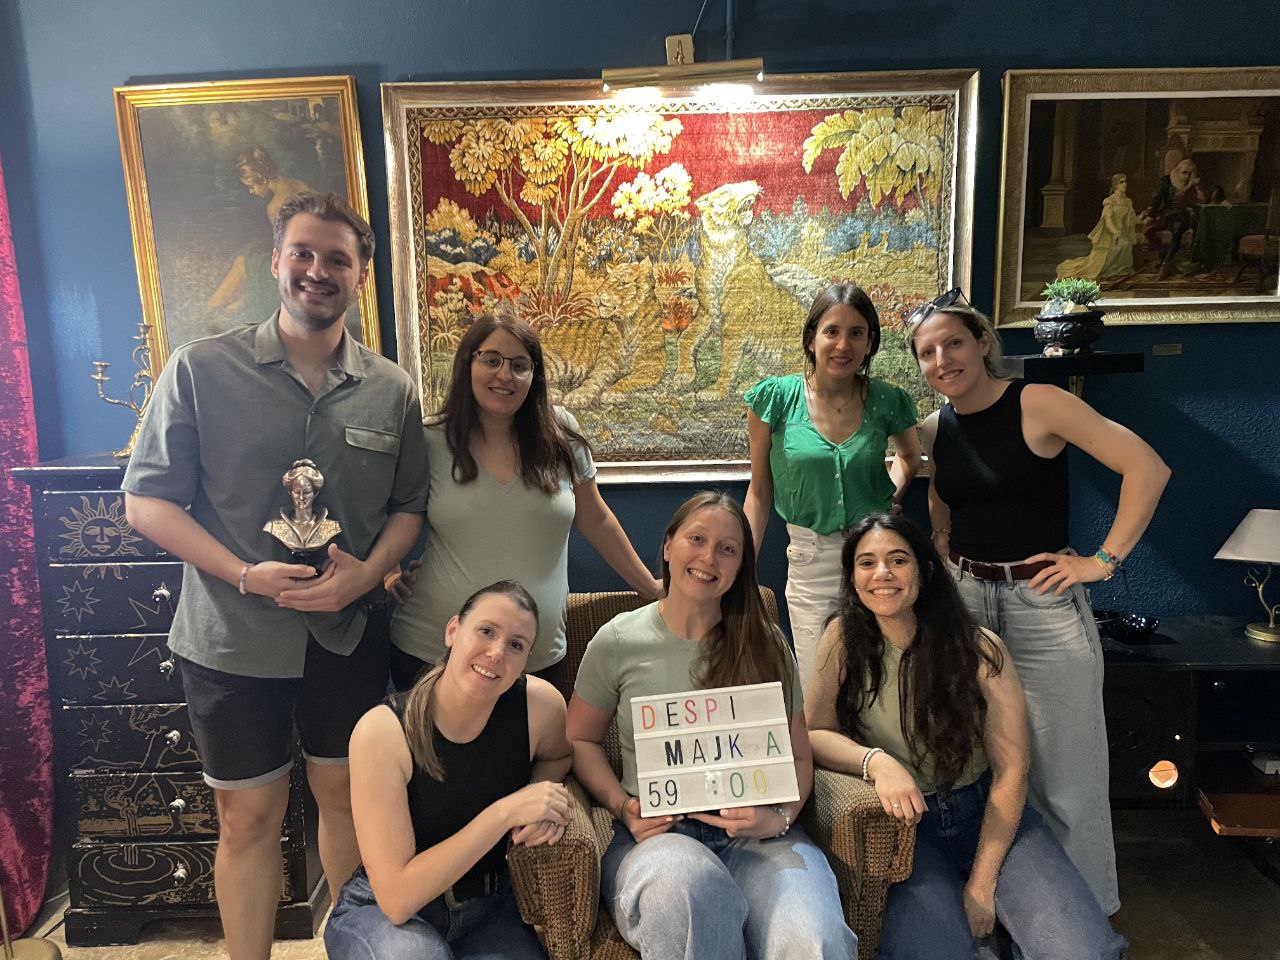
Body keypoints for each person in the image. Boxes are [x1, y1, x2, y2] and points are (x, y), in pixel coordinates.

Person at [123, 192, 428, 960]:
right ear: (275, 261)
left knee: (348, 802)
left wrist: (365, 577)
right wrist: (243, 575)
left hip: (345, 636)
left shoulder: (391, 389)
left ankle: (357, 948)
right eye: (304, 253)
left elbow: (409, 510)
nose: (318, 271)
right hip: (231, 639)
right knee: (248, 819)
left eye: (337, 260)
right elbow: (146, 503)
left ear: (361, 276)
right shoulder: (200, 370)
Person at [906, 300, 1170, 915]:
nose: (942, 360)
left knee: (1067, 777)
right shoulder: (935, 427)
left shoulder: (1039, 402)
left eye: (953, 343)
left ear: (982, 342)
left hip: (1042, 604)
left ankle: (1086, 927)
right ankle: (1007, 908)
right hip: (965, 605)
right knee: (980, 764)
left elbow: (1147, 468)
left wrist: (1102, 562)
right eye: (927, 352)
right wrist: (942, 540)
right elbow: (943, 492)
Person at [806, 514, 1127, 960]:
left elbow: (1012, 770)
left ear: (925, 569)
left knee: (1084, 952)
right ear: (852, 575)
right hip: (905, 828)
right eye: (867, 563)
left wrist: (982, 883)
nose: (882, 574)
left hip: (986, 814)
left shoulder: (980, 648)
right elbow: (815, 733)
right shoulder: (842, 638)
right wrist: (875, 762)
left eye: (897, 560)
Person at [566, 491, 858, 960]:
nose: (708, 558)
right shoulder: (618, 640)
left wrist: (780, 818)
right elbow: (580, 738)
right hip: (660, 838)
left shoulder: (764, 642)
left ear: (740, 566)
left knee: (812, 936)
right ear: (668, 546)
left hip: (756, 837)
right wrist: (623, 806)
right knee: (686, 889)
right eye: (696, 539)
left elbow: (799, 753)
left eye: (727, 549)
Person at [390, 314, 661, 692]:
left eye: (520, 365)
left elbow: (596, 519)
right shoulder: (430, 439)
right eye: (491, 360)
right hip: (433, 652)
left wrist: (649, 587)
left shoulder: (562, 433)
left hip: (535, 654)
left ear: (535, 375)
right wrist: (388, 572)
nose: (505, 375)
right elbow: (392, 511)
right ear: (468, 362)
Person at [325, 581, 573, 960]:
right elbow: (397, 899)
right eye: (486, 631)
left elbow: (558, 757)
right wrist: (506, 812)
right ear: (453, 631)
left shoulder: (540, 707)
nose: (497, 653)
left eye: (516, 645)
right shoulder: (382, 731)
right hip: (385, 912)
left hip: (490, 907)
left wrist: (541, 794)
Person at [743, 283, 922, 689]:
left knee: (882, 683)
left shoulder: (887, 400)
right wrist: (742, 568)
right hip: (810, 560)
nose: (843, 345)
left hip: (877, 559)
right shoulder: (776, 400)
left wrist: (885, 503)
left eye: (856, 333)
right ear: (812, 339)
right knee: (819, 686)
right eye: (832, 331)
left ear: (870, 342)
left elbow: (910, 458)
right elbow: (759, 491)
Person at [1056, 174, 1139, 281]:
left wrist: (1142, 217)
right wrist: (1115, 231)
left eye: (1125, 181)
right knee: (1122, 244)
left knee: (1126, 244)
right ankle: (1110, 269)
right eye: (1121, 182)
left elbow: (1131, 219)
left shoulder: (1127, 201)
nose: (1125, 184)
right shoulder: (1110, 201)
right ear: (1115, 185)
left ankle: (1120, 270)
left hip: (1122, 231)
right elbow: (1107, 219)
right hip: (1110, 233)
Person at [1142, 157, 1207, 279]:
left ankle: (1166, 265)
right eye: (1184, 172)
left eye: (1189, 173)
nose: (1186, 176)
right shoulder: (1167, 180)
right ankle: (1162, 256)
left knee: (1177, 232)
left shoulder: (1192, 185)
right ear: (1178, 170)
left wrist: (1196, 186)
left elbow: (1201, 200)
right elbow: (1158, 198)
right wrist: (1151, 215)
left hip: (1182, 215)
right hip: (1166, 214)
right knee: (1149, 229)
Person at [263, 458, 342, 551]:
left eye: (307, 492)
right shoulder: (273, 527)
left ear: (315, 493)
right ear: (290, 493)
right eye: (297, 492)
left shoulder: (332, 527)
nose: (301, 498)